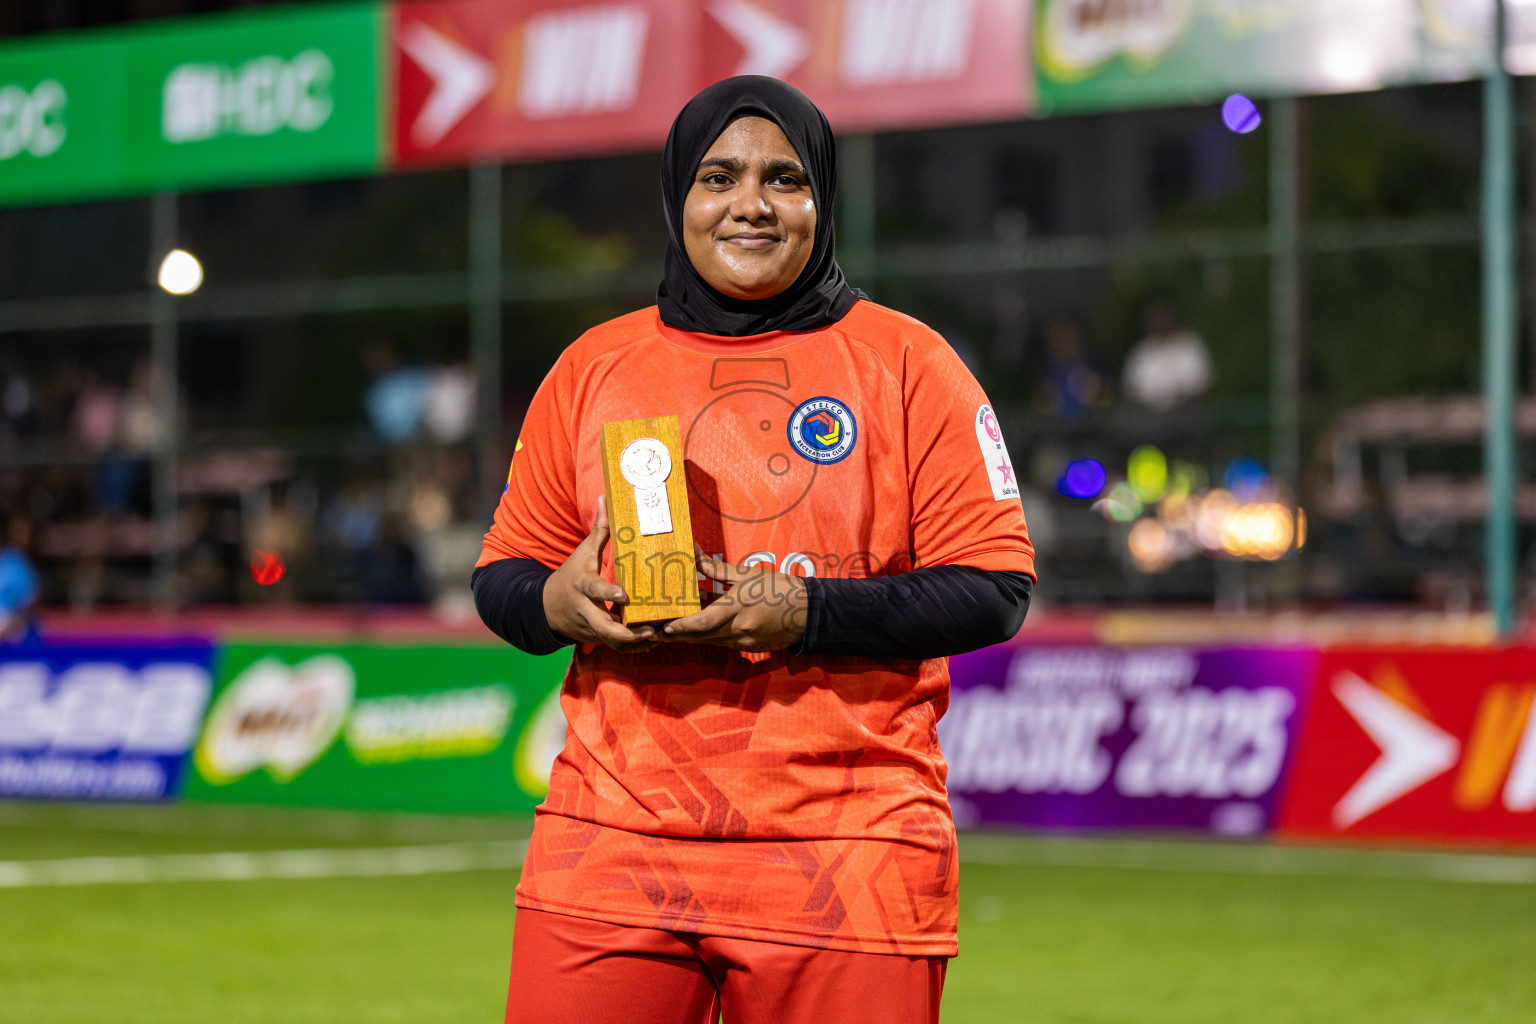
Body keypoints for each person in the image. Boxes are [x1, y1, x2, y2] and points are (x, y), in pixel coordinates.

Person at [472, 77, 1036, 1024]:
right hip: (611, 843)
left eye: (784, 179)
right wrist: (553, 604)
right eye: (718, 177)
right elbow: (502, 578)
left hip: (846, 846)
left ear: (822, 196)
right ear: (676, 199)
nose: (751, 205)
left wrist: (803, 614)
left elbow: (995, 589)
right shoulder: (592, 366)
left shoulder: (910, 364)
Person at [1120, 301, 1214, 412]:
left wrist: (1183, 396)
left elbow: (1206, 379)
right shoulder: (1141, 352)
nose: (1161, 322)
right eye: (1157, 318)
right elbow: (1131, 389)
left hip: (1188, 414)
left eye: (1164, 317)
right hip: (1150, 417)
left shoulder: (1190, 344)